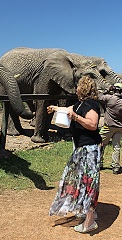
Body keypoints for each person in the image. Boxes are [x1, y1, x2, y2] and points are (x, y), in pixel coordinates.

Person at [48, 75, 102, 233]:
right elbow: (68, 111)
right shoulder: (79, 104)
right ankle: (85, 209)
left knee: (89, 182)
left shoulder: (91, 104)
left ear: (84, 88)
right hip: (80, 149)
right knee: (77, 180)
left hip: (90, 149)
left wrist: (76, 118)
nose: (76, 88)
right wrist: (55, 108)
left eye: (79, 86)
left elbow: (93, 124)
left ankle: (90, 221)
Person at [98, 82, 122, 174]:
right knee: (116, 147)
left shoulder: (109, 98)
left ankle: (99, 163)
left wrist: (107, 90)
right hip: (119, 127)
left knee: (101, 144)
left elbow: (98, 96)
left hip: (108, 126)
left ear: (114, 89)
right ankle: (116, 166)